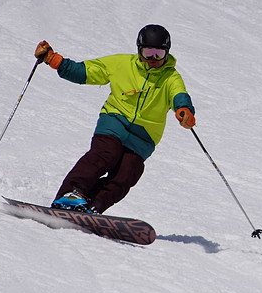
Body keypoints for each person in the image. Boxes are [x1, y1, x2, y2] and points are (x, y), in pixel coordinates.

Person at [34, 24, 196, 214]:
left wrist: (184, 110)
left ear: (167, 53)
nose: (153, 58)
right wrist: (54, 60)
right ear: (139, 50)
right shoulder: (122, 64)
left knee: (128, 173)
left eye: (159, 54)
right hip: (115, 120)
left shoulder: (171, 77)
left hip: (144, 137)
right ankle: (70, 195)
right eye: (148, 52)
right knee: (105, 153)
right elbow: (86, 71)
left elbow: (179, 95)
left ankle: (93, 205)